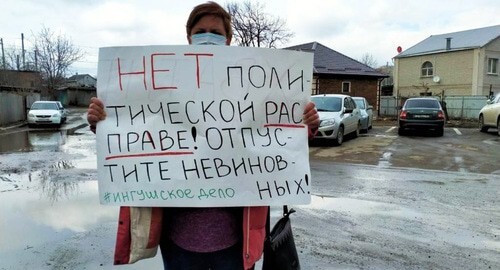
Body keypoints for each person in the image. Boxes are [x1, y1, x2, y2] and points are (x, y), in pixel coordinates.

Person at [87, 2, 319, 269]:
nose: (207, 36)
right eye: (201, 31)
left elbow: (277, 139)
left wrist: (305, 125)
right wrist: (103, 123)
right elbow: (135, 130)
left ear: (228, 39)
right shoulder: (164, 86)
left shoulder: (251, 86)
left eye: (215, 32)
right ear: (189, 37)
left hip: (236, 244)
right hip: (178, 243)